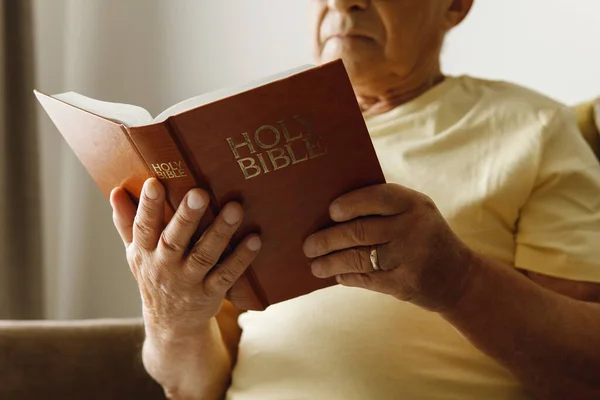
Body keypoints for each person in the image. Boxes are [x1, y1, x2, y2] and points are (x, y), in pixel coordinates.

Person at [109, 1, 600, 399]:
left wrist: (458, 280)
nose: (343, 3)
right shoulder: (237, 142)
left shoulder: (535, 129)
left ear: (455, 6)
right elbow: (192, 387)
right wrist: (172, 314)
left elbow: (584, 374)